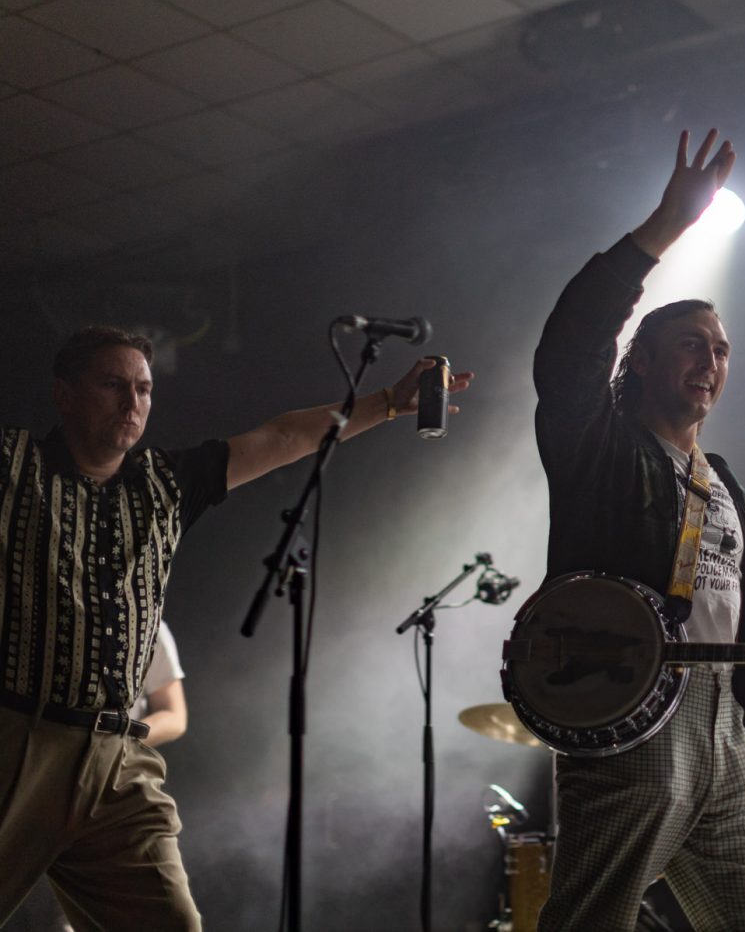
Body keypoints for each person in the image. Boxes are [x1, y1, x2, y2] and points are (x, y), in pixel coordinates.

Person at [0, 326, 472, 930]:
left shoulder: (167, 482)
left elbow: (282, 435)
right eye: (112, 385)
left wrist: (384, 404)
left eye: (143, 389)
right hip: (22, 741)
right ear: (64, 395)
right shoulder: (14, 466)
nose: (131, 402)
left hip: (117, 760)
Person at [531, 129, 745, 931]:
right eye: (690, 346)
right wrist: (664, 228)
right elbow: (568, 344)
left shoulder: (725, 482)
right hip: (634, 718)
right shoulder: (599, 446)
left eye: (721, 350)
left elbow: (736, 639)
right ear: (638, 361)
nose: (710, 361)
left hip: (726, 735)